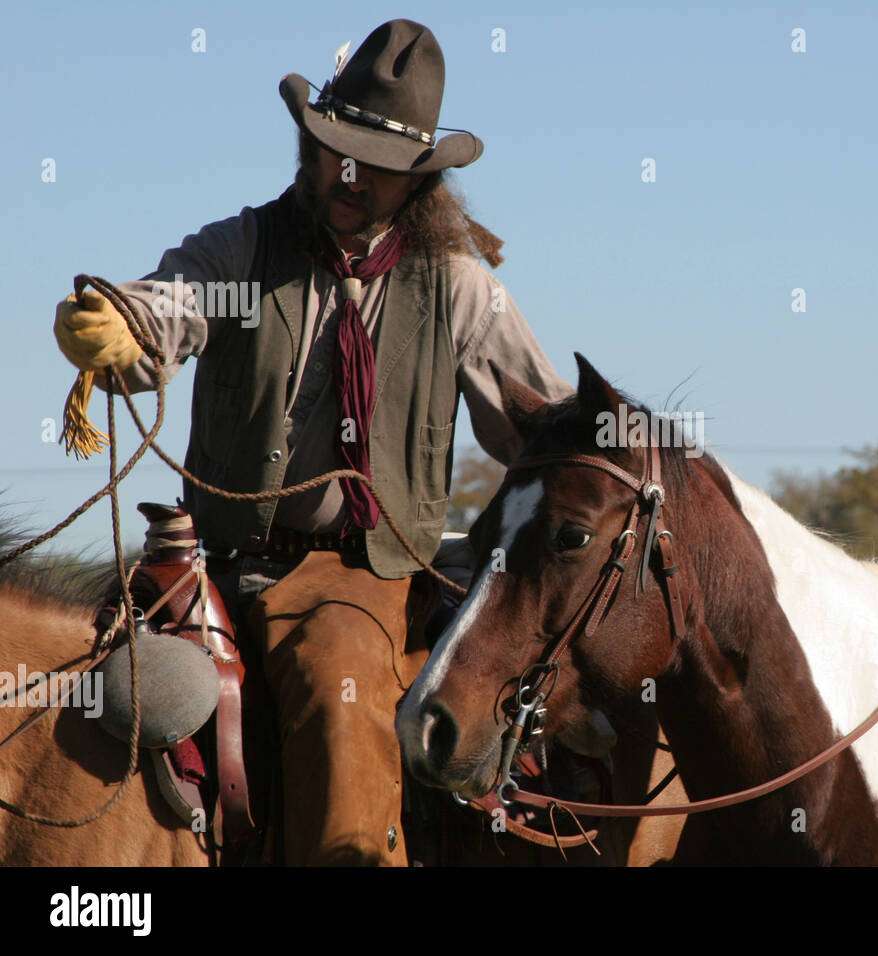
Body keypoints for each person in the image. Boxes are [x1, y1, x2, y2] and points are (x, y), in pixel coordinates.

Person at [51, 19, 573, 864]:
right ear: (310, 145)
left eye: (380, 165)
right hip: (203, 551)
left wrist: (620, 455)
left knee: (341, 690)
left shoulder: (460, 289)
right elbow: (170, 305)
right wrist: (121, 323)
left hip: (356, 573)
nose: (353, 175)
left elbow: (549, 432)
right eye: (337, 151)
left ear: (419, 182)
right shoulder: (238, 252)